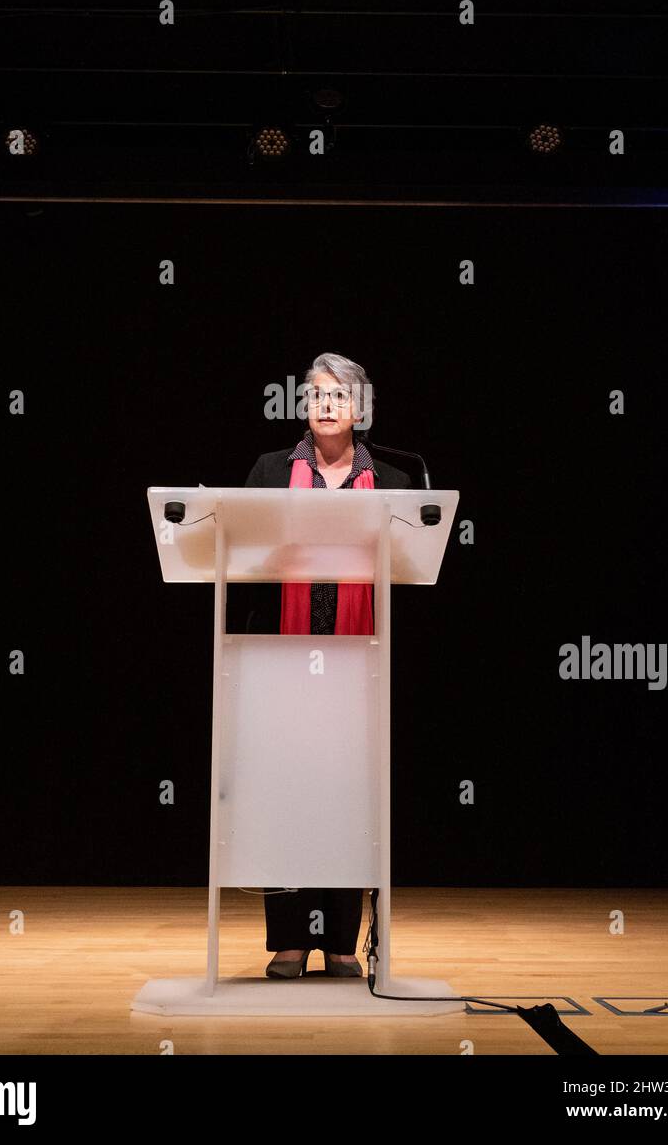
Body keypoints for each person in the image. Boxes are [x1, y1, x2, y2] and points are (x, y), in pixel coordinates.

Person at [243, 352, 412, 979]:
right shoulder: (267, 473)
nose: (325, 403)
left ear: (361, 408)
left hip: (357, 666)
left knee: (348, 800)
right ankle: (290, 940)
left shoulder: (394, 481)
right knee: (285, 798)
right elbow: (244, 559)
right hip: (280, 663)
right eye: (315, 393)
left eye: (339, 394)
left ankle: (341, 940)